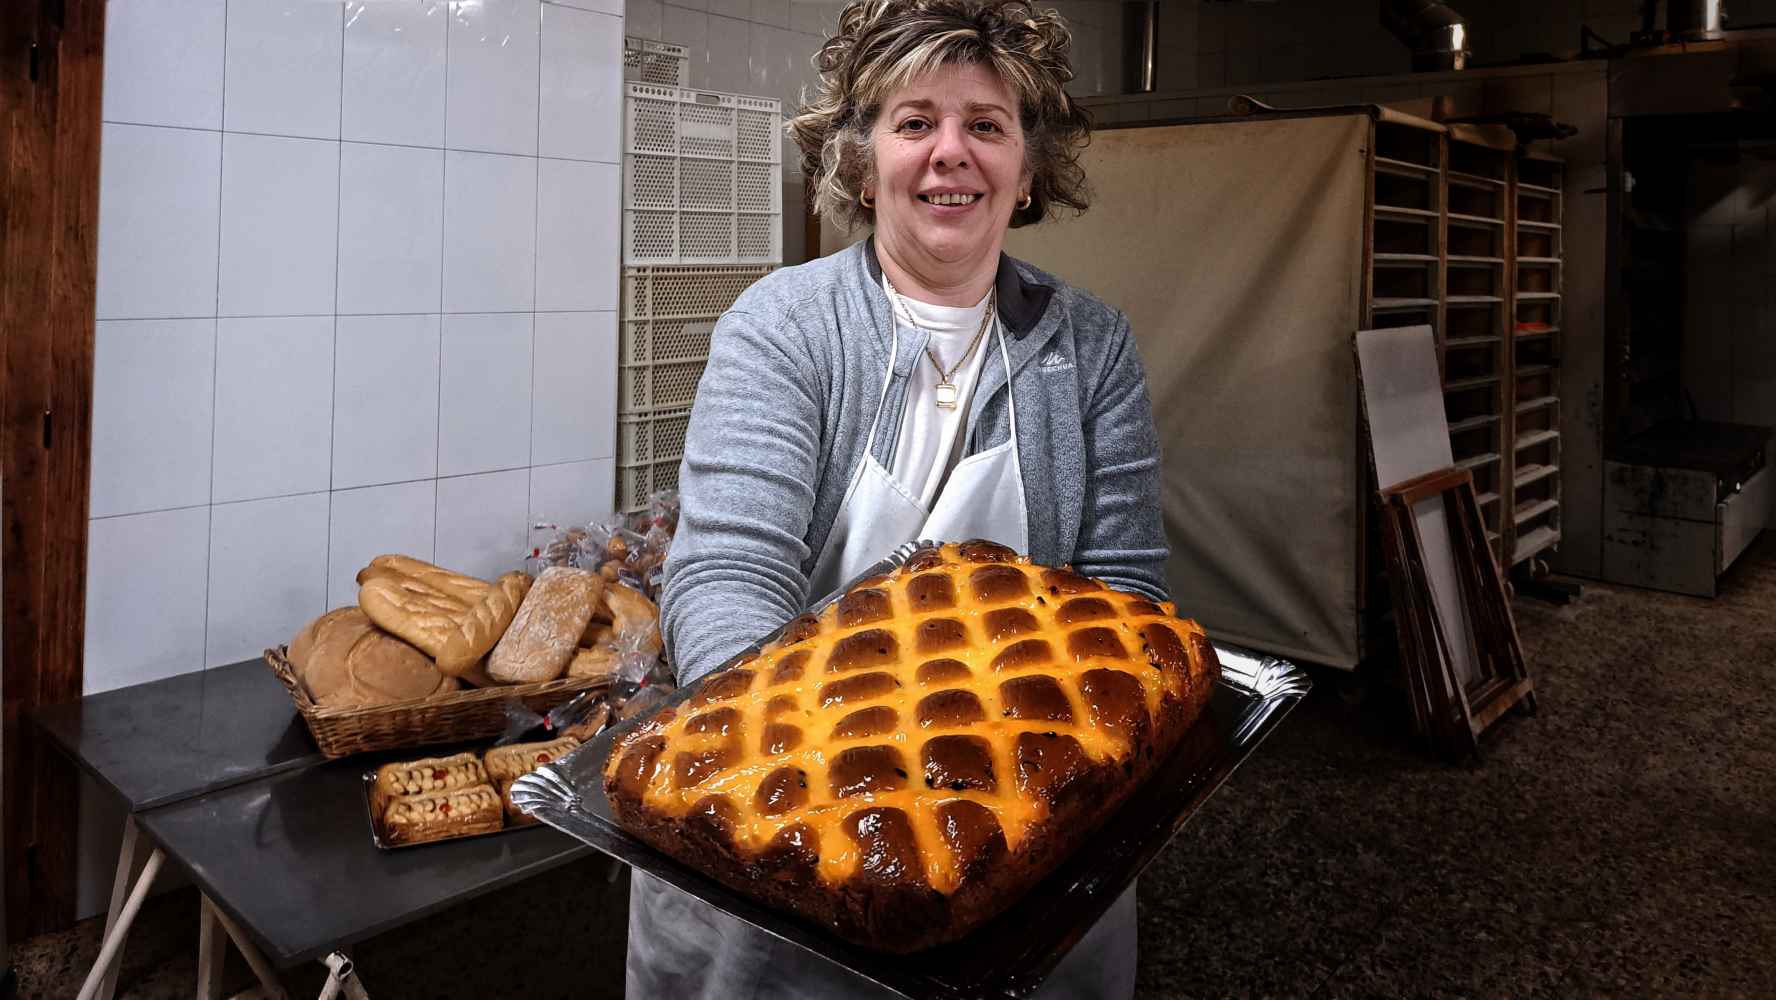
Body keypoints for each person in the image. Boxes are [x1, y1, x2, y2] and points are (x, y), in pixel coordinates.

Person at [631, 2, 1168, 996]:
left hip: (1030, 825)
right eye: (915, 122)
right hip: (789, 833)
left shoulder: (1092, 348)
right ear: (860, 156)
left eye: (987, 124)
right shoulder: (784, 326)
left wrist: (1026, 801)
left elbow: (1122, 607)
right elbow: (728, 574)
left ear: (1029, 162)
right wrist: (810, 795)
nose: (949, 154)